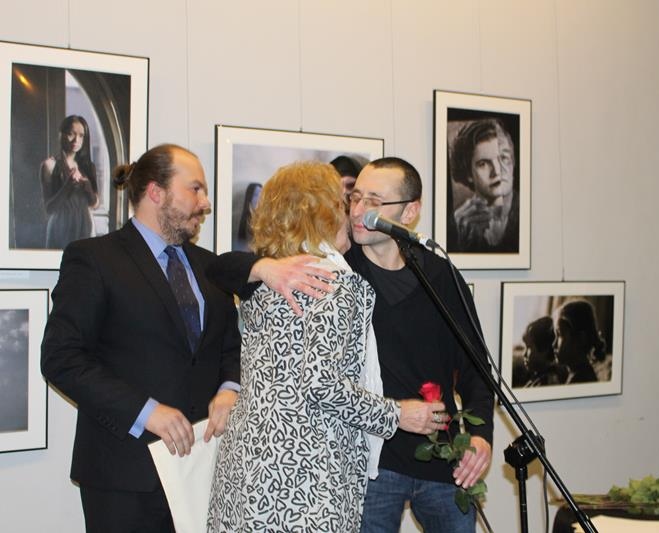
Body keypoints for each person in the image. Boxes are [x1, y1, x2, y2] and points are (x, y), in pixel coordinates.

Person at [208, 157, 495, 533]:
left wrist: (481, 435)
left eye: (373, 201)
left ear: (410, 212)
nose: (358, 211)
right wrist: (263, 267)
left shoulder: (441, 277)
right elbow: (218, 268)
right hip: (370, 466)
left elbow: (475, 366)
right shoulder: (324, 271)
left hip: (441, 459)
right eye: (354, 198)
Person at [40, 144, 241, 533]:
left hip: (204, 473)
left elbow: (230, 347)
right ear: (156, 192)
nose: (205, 203)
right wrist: (146, 411)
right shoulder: (94, 258)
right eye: (195, 189)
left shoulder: (209, 266)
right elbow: (61, 358)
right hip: (124, 478)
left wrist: (230, 389)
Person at [448, 118, 519, 253]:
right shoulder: (460, 222)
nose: (497, 171)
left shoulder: (526, 211)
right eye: (483, 164)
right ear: (468, 173)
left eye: (503, 158)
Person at [40, 115, 99, 249]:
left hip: (85, 223)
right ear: (62, 135)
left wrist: (89, 188)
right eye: (71, 134)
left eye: (81, 136)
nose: (76, 140)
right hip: (61, 225)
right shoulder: (49, 165)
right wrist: (67, 188)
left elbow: (94, 204)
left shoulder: (89, 167)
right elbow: (49, 208)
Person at [552, 300, 607, 383]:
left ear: (580, 338)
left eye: (560, 334)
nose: (554, 344)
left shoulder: (581, 379)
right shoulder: (576, 374)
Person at [517, 316, 569, 387]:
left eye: (528, 347)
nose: (524, 354)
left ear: (545, 350)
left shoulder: (547, 382)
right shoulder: (536, 377)